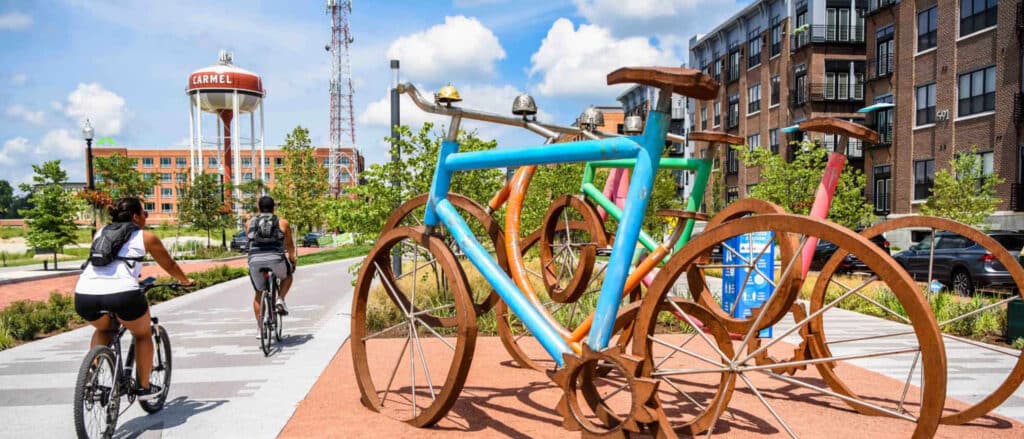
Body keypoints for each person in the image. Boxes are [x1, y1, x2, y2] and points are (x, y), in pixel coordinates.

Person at [74, 197, 194, 400]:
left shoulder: (101, 232)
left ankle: (90, 380)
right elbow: (169, 265)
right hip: (123, 295)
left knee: (104, 328)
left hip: (85, 295)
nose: (146, 218)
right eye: (144, 214)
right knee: (143, 334)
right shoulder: (146, 237)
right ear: (136, 217)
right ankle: (143, 386)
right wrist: (185, 281)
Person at [246, 195, 296, 328]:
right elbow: (289, 245)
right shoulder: (282, 222)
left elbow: (250, 241)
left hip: (255, 260)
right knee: (288, 276)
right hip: (276, 259)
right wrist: (292, 259)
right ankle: (280, 299)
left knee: (258, 292)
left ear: (259, 208)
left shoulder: (249, 222)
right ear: (274, 208)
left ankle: (260, 327)